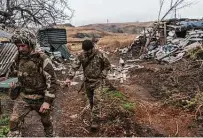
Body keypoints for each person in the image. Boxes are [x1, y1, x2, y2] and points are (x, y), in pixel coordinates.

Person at [7, 30, 57, 137]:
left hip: (41, 97)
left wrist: (47, 102)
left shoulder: (42, 58)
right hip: (24, 97)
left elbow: (52, 80)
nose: (20, 49)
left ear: (30, 44)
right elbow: (15, 72)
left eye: (23, 45)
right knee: (13, 121)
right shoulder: (18, 57)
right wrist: (14, 84)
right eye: (18, 46)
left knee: (47, 122)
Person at [66, 39, 111, 129]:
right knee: (91, 101)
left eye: (87, 50)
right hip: (87, 82)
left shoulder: (100, 54)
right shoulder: (81, 55)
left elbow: (108, 66)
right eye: (84, 50)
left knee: (97, 101)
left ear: (92, 48)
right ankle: (93, 114)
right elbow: (74, 67)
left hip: (98, 81)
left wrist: (103, 75)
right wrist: (69, 78)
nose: (86, 52)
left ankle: (95, 121)